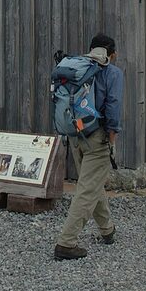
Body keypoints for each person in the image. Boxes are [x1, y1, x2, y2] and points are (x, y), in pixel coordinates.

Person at [54, 33, 123, 261]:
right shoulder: (112, 72)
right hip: (97, 137)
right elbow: (112, 107)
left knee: (92, 183)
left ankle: (107, 230)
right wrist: (112, 141)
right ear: (111, 54)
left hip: (76, 134)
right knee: (86, 189)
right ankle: (66, 243)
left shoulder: (79, 68)